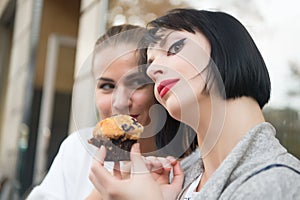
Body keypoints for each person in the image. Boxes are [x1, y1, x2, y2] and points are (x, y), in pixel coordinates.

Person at [88, 8, 300, 200]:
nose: (152, 71)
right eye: (151, 63)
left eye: (175, 47)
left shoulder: (276, 183)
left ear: (227, 46)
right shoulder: (178, 181)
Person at [27, 24, 198, 199]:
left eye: (137, 83)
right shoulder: (78, 150)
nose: (120, 102)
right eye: (107, 86)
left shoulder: (193, 168)